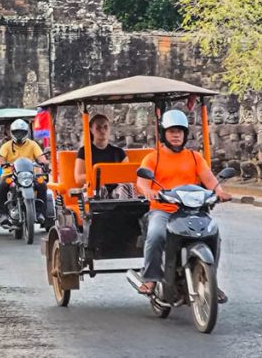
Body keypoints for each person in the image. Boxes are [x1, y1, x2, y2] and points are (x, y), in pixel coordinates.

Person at [135, 109, 231, 297]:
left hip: (191, 211)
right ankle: (151, 278)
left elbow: (209, 178)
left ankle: (210, 280)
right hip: (163, 210)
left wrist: (219, 192)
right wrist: (148, 191)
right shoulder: (153, 158)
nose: (176, 135)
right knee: (155, 235)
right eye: (172, 131)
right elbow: (142, 181)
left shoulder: (195, 157)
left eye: (180, 131)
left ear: (185, 134)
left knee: (213, 235)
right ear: (164, 134)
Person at [0, 119, 47, 225]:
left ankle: (40, 213)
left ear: (26, 132)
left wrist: (44, 162)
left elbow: (41, 158)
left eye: (21, 132)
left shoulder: (33, 144)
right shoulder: (6, 146)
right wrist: (0, 165)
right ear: (12, 133)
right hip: (10, 174)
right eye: (16, 132)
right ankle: (3, 214)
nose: (19, 135)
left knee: (42, 184)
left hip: (30, 174)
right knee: (1, 185)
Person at [74, 114, 130, 198]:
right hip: (95, 188)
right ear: (91, 130)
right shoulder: (84, 151)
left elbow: (127, 176)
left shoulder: (119, 152)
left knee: (126, 187)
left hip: (116, 191)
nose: (103, 130)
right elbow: (78, 177)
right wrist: (100, 179)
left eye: (105, 127)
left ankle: (125, 209)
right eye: (98, 128)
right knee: (100, 189)